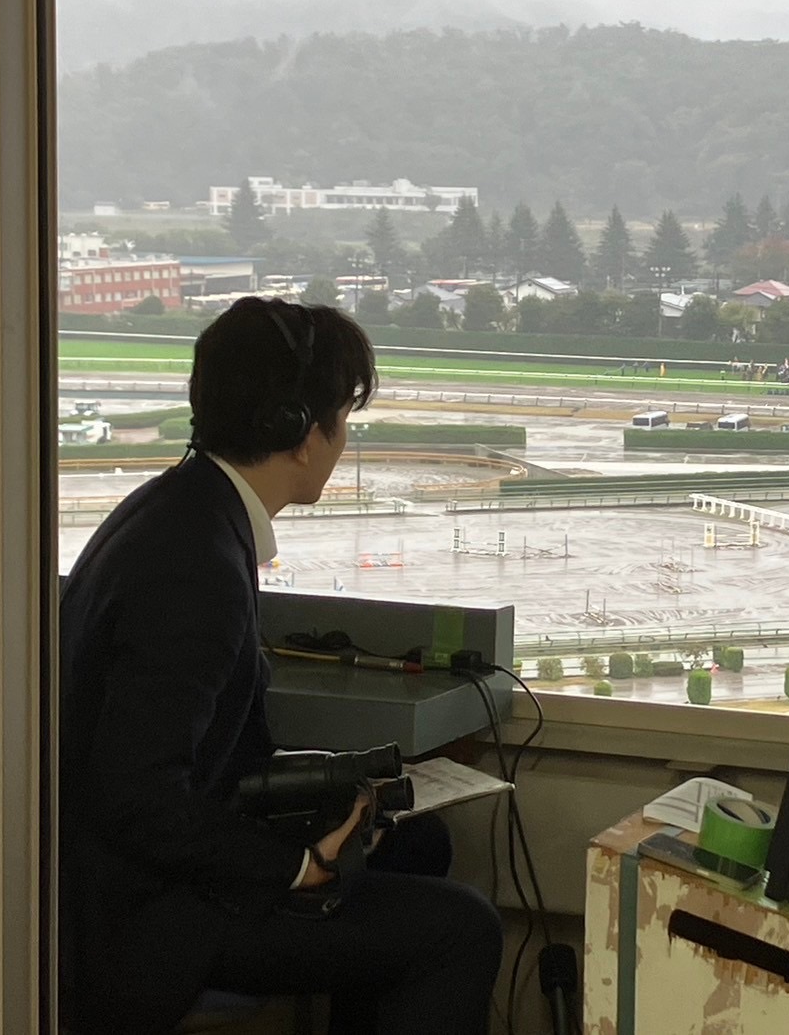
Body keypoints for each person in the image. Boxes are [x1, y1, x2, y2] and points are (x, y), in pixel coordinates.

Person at [59, 297, 501, 1035]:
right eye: (343, 418)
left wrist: (329, 798)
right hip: (144, 917)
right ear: (299, 431)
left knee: (420, 843)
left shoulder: (179, 508)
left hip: (139, 869)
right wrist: (296, 865)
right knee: (461, 929)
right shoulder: (196, 567)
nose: (343, 439)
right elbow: (136, 798)